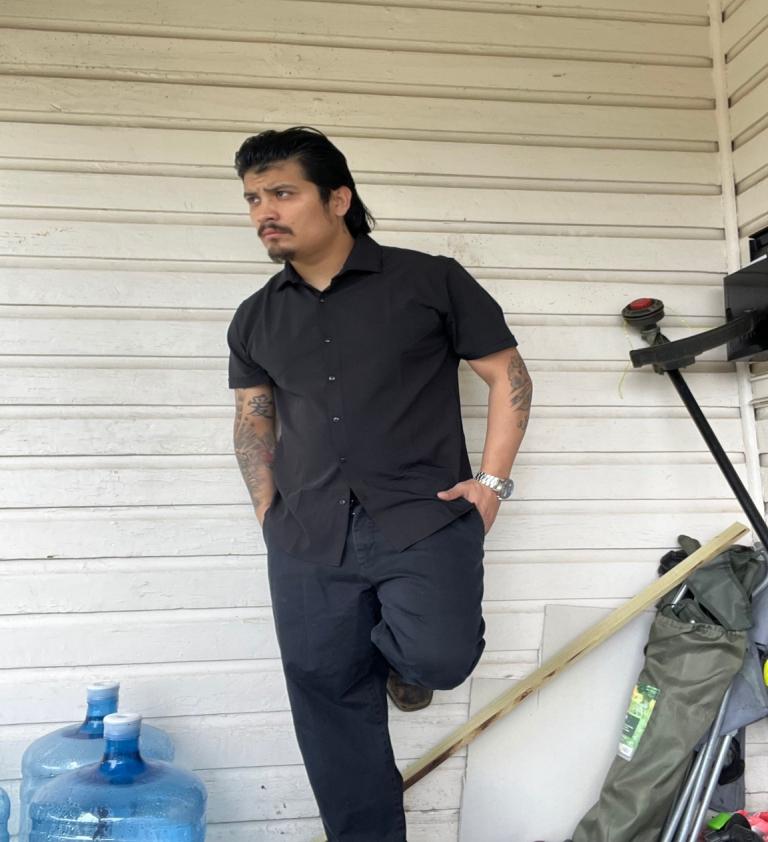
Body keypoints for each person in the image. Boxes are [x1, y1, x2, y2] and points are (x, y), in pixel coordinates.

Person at [227, 127, 532, 842]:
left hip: (423, 516)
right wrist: (268, 510)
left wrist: (490, 484)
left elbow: (507, 374)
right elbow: (253, 417)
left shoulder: (431, 281)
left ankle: (398, 665)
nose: (265, 212)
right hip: (306, 533)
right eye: (252, 199)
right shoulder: (255, 316)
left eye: (282, 193)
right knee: (328, 701)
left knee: (441, 657)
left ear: (338, 199)